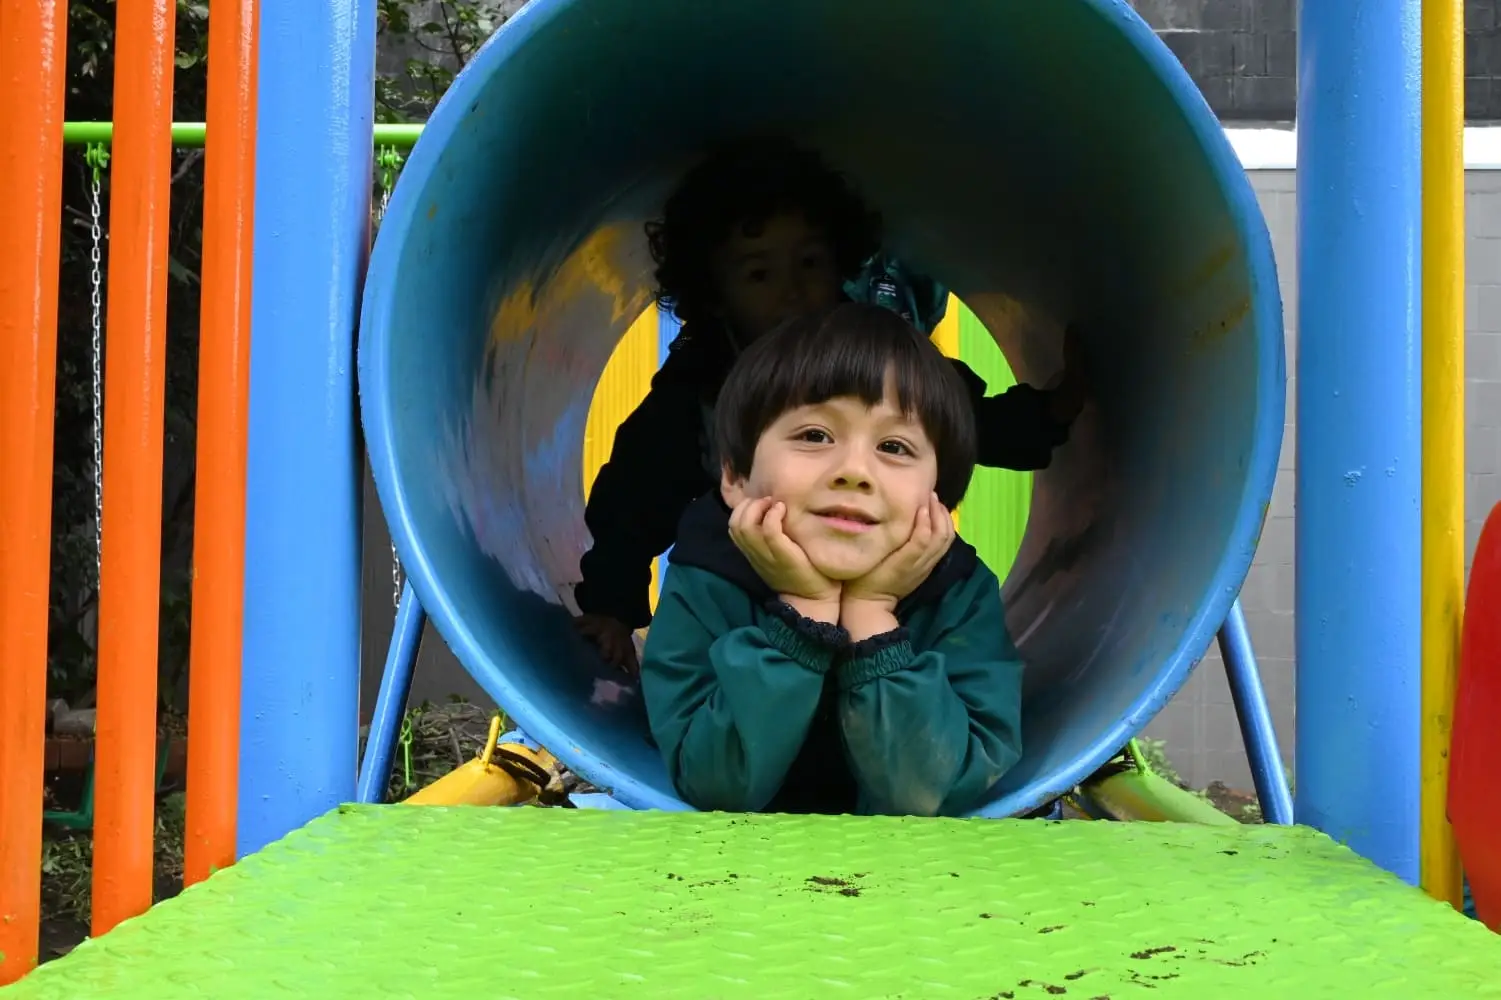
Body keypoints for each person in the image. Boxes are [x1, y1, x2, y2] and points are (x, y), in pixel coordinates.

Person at [574, 136, 1084, 672]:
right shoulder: (697, 391)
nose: (792, 291)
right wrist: (611, 608)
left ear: (839, 260)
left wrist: (1052, 410)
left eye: (810, 262)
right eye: (759, 274)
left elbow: (958, 417)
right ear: (714, 291)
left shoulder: (874, 358)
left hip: (876, 578)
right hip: (748, 596)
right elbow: (633, 497)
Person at [639, 304, 1024, 816]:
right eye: (815, 435)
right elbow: (715, 785)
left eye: (894, 445)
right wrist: (805, 613)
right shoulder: (708, 576)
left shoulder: (959, 592)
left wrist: (872, 614)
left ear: (940, 497)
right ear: (735, 478)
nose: (855, 471)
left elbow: (931, 788)